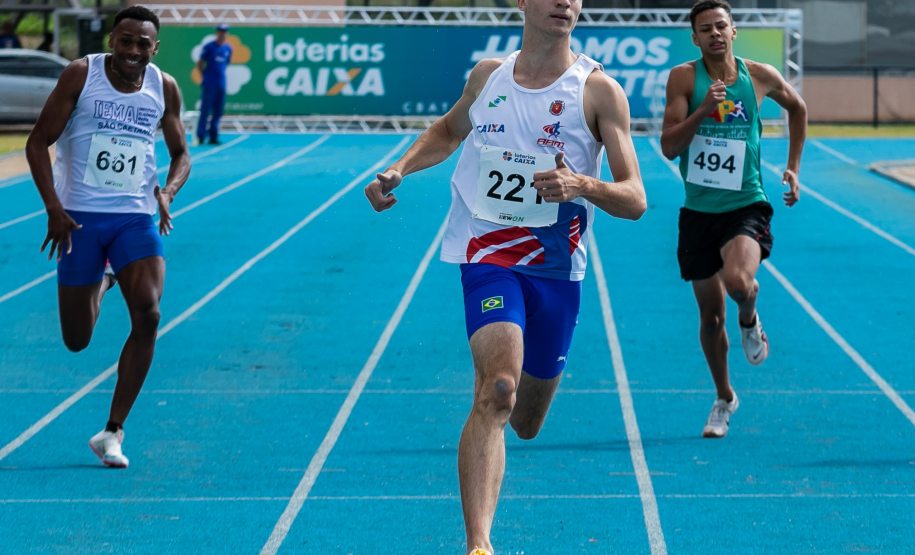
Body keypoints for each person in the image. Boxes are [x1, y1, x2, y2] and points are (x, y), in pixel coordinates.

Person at [365, 0, 646, 551]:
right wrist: (399, 168)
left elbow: (635, 198)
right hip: (488, 256)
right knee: (497, 390)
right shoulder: (488, 76)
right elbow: (449, 131)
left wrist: (583, 186)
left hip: (556, 271)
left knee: (526, 420)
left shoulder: (598, 91)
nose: (565, 2)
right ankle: (479, 544)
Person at [25, 5, 190, 468]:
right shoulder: (82, 75)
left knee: (149, 314)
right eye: (126, 40)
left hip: (134, 216)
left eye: (143, 43)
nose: (133, 50)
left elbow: (181, 154)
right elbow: (37, 142)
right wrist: (53, 208)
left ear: (155, 48)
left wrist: (168, 192)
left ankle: (113, 431)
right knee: (77, 339)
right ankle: (105, 279)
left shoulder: (164, 86)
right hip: (79, 218)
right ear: (112, 40)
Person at [660, 0, 806, 439]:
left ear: (733, 31)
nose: (714, 34)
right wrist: (703, 109)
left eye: (721, 26)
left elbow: (797, 108)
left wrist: (793, 167)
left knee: (739, 283)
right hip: (699, 212)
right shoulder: (684, 79)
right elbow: (669, 147)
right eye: (705, 29)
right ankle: (724, 398)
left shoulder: (758, 76)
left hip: (746, 204)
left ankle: (749, 316)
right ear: (695, 38)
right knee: (710, 319)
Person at [195, 23, 232, 145]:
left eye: (224, 32)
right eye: (220, 31)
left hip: (221, 83)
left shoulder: (228, 48)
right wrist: (205, 76)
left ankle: (213, 135)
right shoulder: (209, 47)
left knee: (218, 110)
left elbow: (226, 63)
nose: (222, 34)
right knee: (205, 109)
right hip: (209, 83)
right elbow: (200, 63)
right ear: (217, 33)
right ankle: (201, 135)